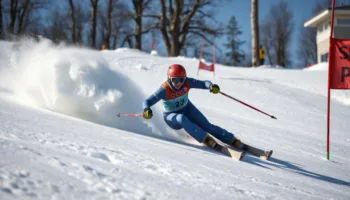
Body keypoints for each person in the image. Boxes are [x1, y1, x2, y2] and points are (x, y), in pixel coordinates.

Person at [142, 64, 247, 152]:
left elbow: (204, 83)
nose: (179, 83)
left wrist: (211, 86)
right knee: (182, 119)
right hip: (171, 117)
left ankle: (230, 139)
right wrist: (146, 109)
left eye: (181, 80)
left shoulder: (187, 83)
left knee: (207, 126)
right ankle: (205, 138)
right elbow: (147, 101)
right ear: (169, 79)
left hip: (187, 108)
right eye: (175, 80)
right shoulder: (164, 90)